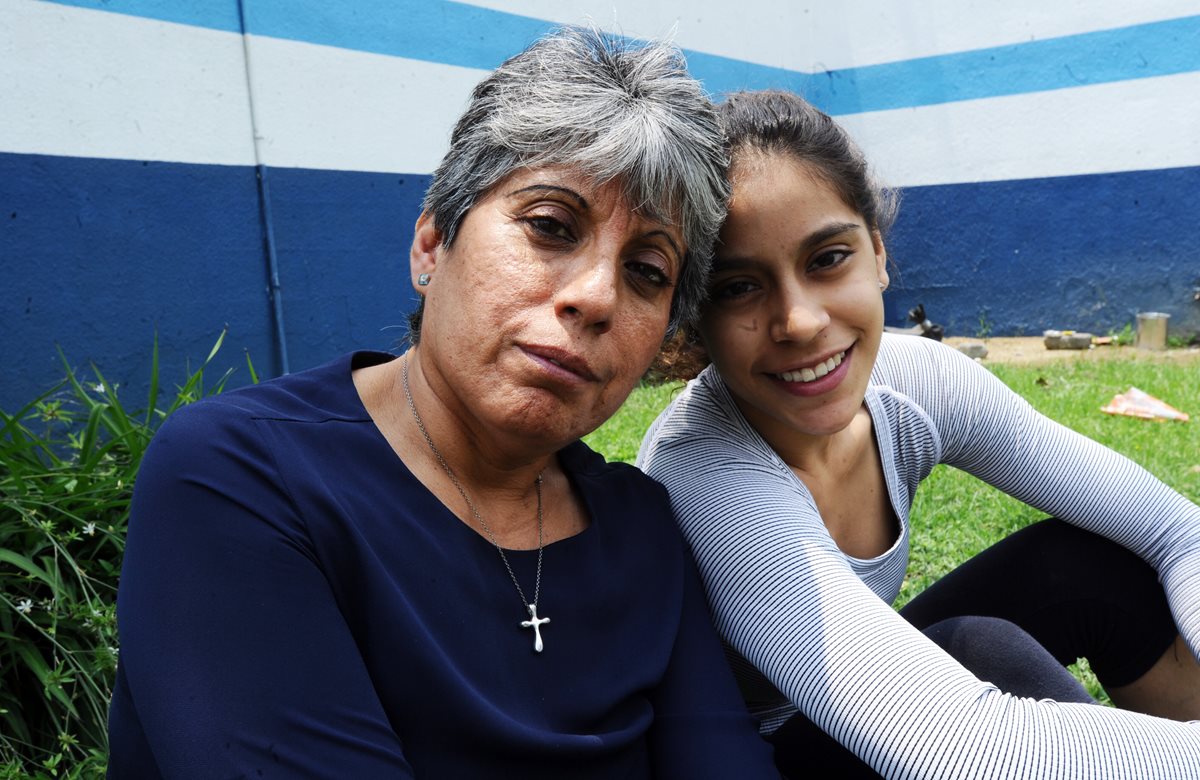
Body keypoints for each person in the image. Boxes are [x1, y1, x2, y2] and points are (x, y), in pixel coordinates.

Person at [105, 30, 782, 779]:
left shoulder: (638, 527)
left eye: (648, 271)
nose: (595, 296)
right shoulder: (242, 479)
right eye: (550, 226)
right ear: (432, 244)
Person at [637, 89, 1200, 778]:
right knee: (980, 652)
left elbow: (1176, 530)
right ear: (695, 316)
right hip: (754, 758)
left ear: (876, 253)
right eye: (737, 288)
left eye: (827, 259)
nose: (800, 321)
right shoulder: (703, 468)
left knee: (1090, 564)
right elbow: (955, 747)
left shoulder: (914, 380)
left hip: (861, 715)